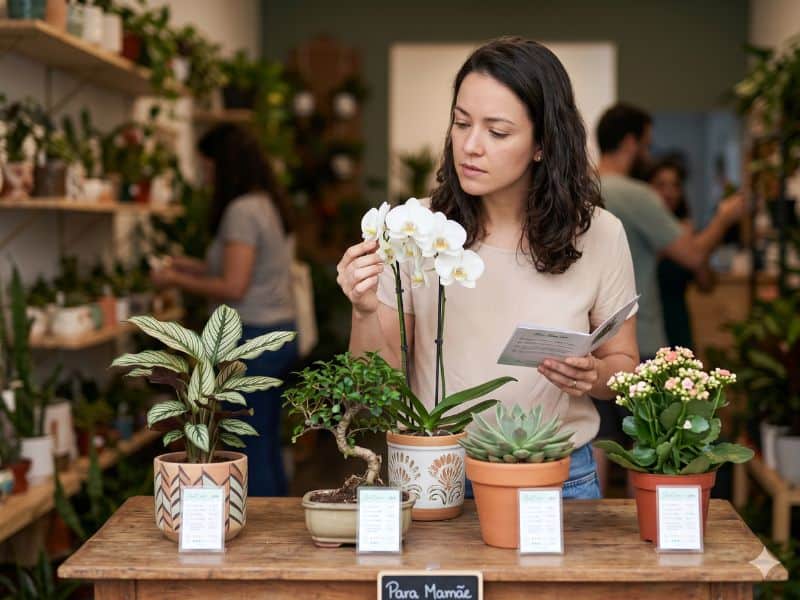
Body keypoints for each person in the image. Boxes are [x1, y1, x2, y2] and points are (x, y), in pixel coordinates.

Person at [337, 37, 640, 500]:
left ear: (542, 144)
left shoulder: (599, 233)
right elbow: (372, 389)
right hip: (434, 473)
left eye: (497, 132)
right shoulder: (417, 227)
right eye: (461, 123)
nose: (471, 146)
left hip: (556, 479)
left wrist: (593, 376)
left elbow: (624, 366)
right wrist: (362, 310)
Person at [593, 104, 745, 493]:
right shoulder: (637, 195)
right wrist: (725, 219)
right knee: (645, 451)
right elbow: (692, 255)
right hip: (638, 337)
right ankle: (642, 535)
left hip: (589, 339)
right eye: (645, 143)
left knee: (596, 442)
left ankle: (587, 537)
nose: (648, 152)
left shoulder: (579, 185)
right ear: (630, 143)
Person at [151, 124, 298, 497]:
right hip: (276, 332)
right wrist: (185, 266)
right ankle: (274, 520)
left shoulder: (241, 211)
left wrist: (173, 280)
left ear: (224, 164)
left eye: (207, 166)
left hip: (251, 338)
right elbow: (240, 269)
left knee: (246, 443)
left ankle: (259, 528)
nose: (205, 175)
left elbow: (234, 285)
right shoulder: (266, 203)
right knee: (263, 437)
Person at [648, 156, 715, 350]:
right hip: (649, 326)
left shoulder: (685, 230)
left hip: (678, 323)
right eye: (661, 185)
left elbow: (706, 284)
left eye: (675, 185)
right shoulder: (641, 228)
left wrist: (692, 245)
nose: (669, 192)